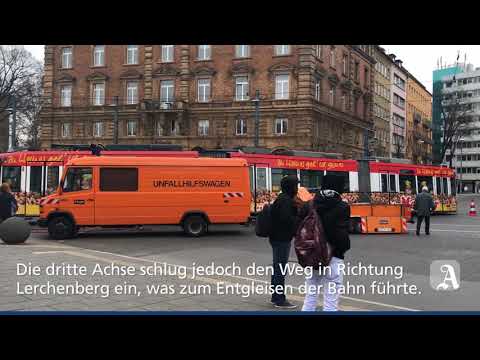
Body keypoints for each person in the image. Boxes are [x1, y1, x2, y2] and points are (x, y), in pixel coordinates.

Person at [298, 175, 351, 311]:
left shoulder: (309, 204)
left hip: (312, 255)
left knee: (310, 296)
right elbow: (341, 236)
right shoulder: (342, 206)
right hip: (333, 257)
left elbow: (299, 228)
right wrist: (344, 248)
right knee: (331, 301)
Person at [268, 175, 300, 309]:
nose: (297, 188)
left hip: (277, 238)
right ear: (290, 187)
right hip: (282, 239)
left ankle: (275, 296)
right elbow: (287, 220)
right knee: (280, 269)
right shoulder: (286, 201)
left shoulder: (282, 199)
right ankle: (280, 299)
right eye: (295, 186)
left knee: (277, 268)